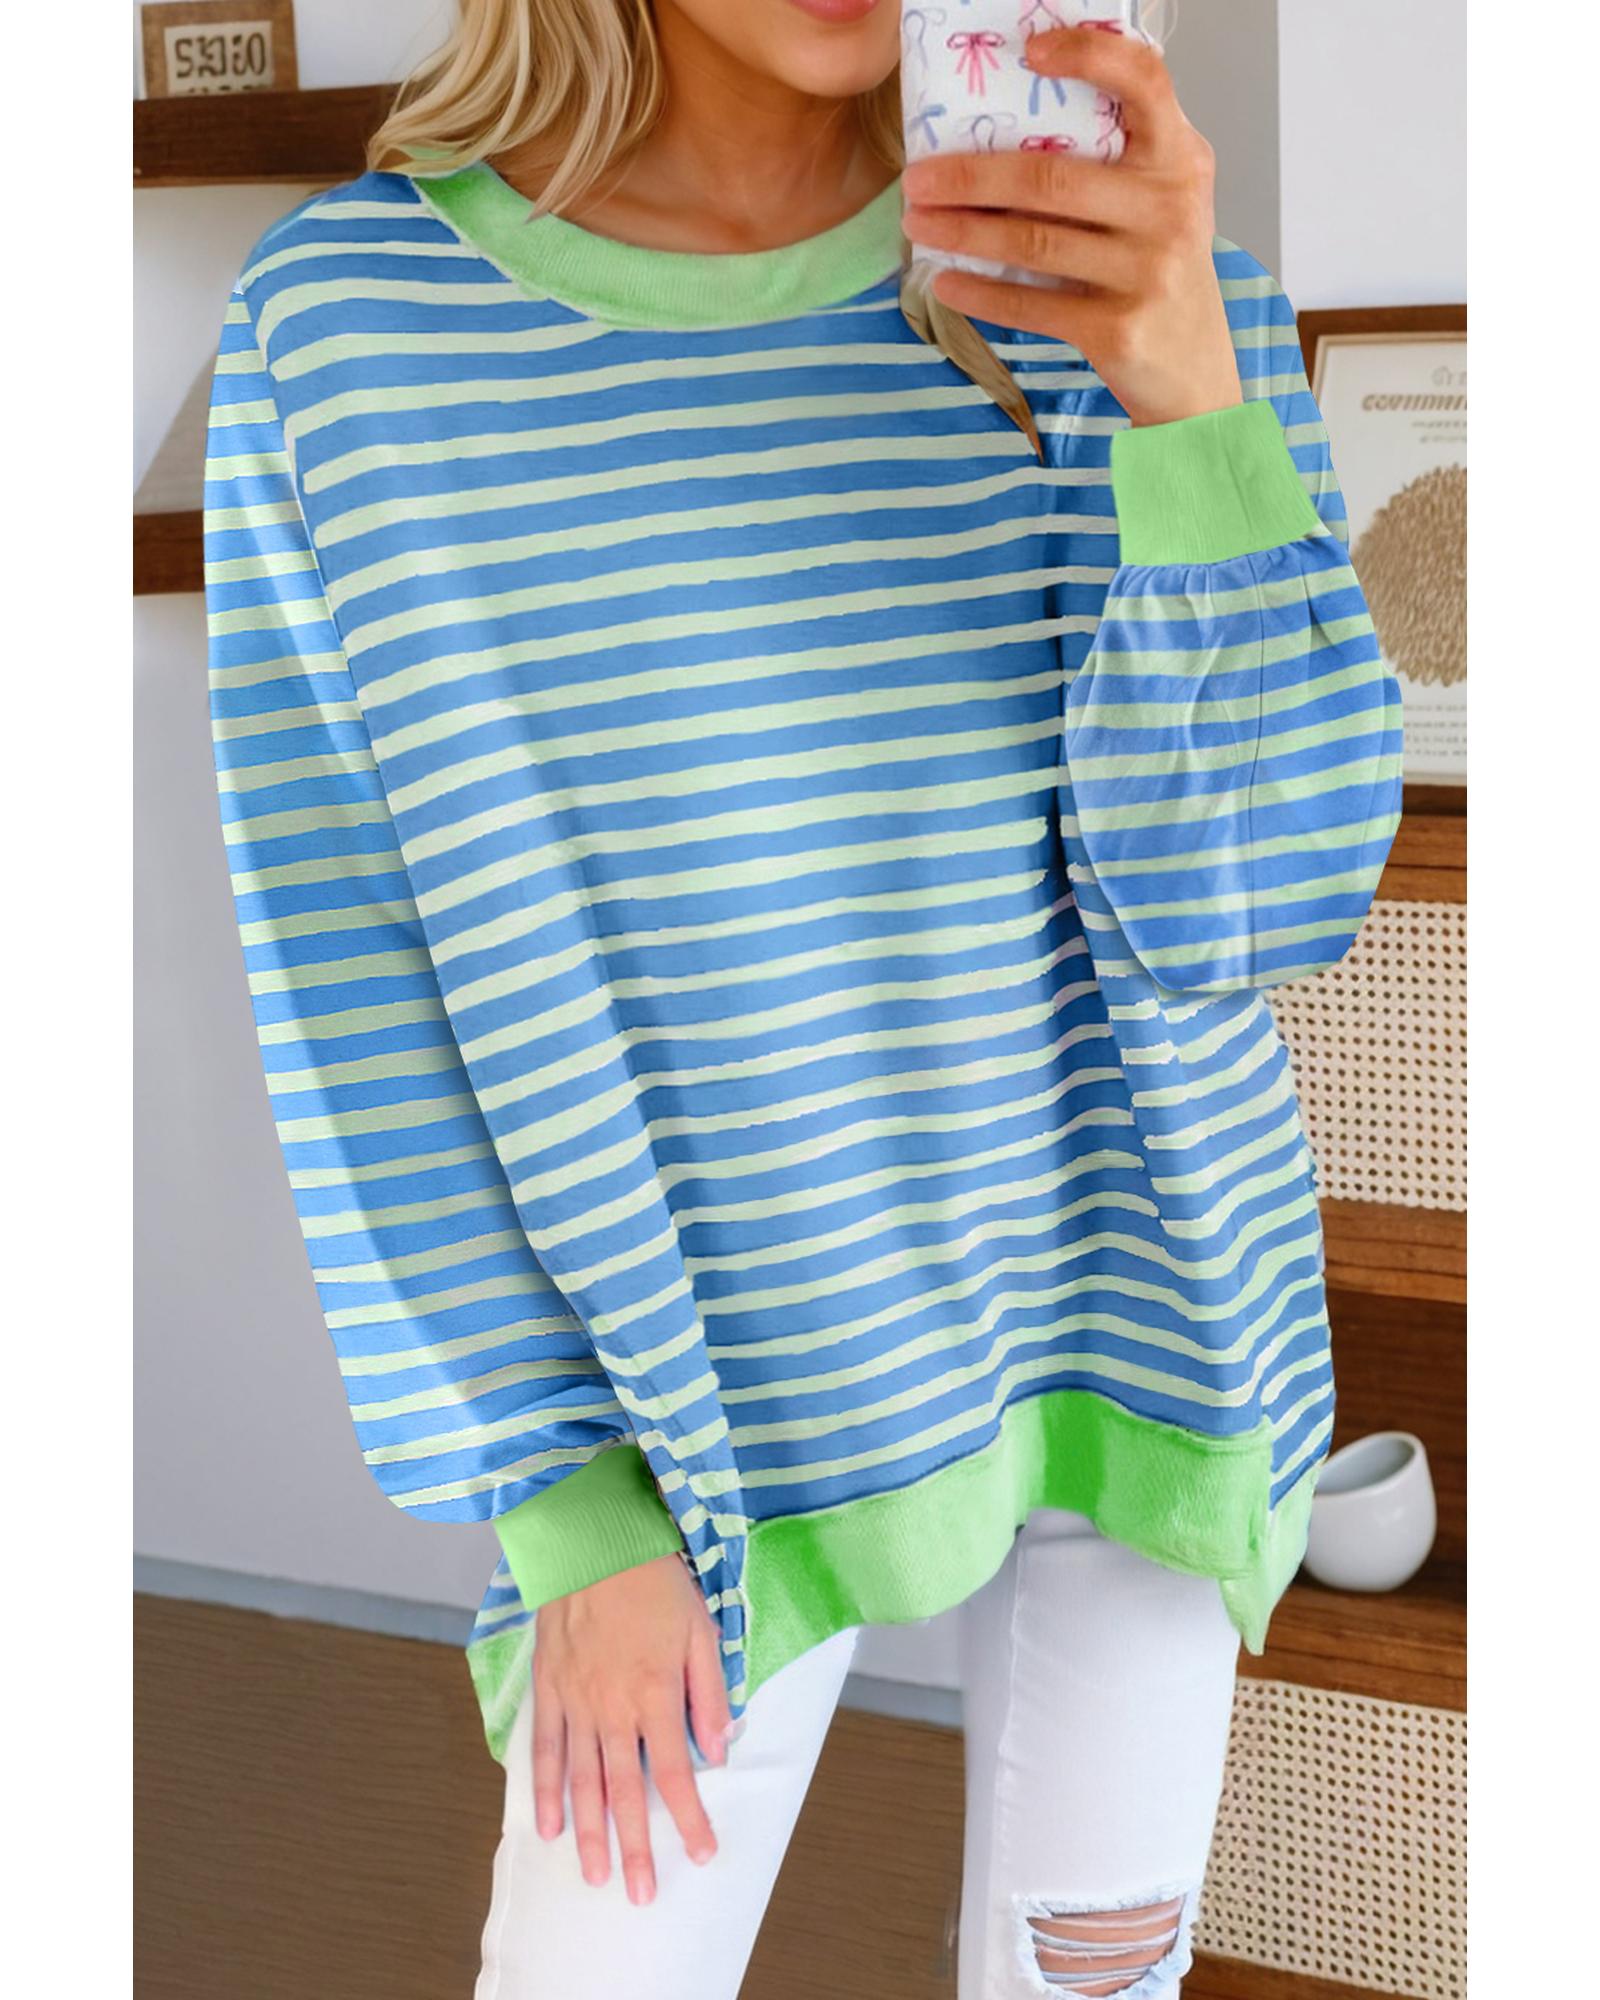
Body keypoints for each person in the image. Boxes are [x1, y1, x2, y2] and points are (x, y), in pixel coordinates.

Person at [200, 3, 1402, 1993]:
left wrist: (1190, 403)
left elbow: (1254, 907)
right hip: (694, 1428)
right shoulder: (350, 338)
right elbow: (355, 984)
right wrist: (565, 1498)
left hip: (1146, 1332)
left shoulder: (1147, 299)